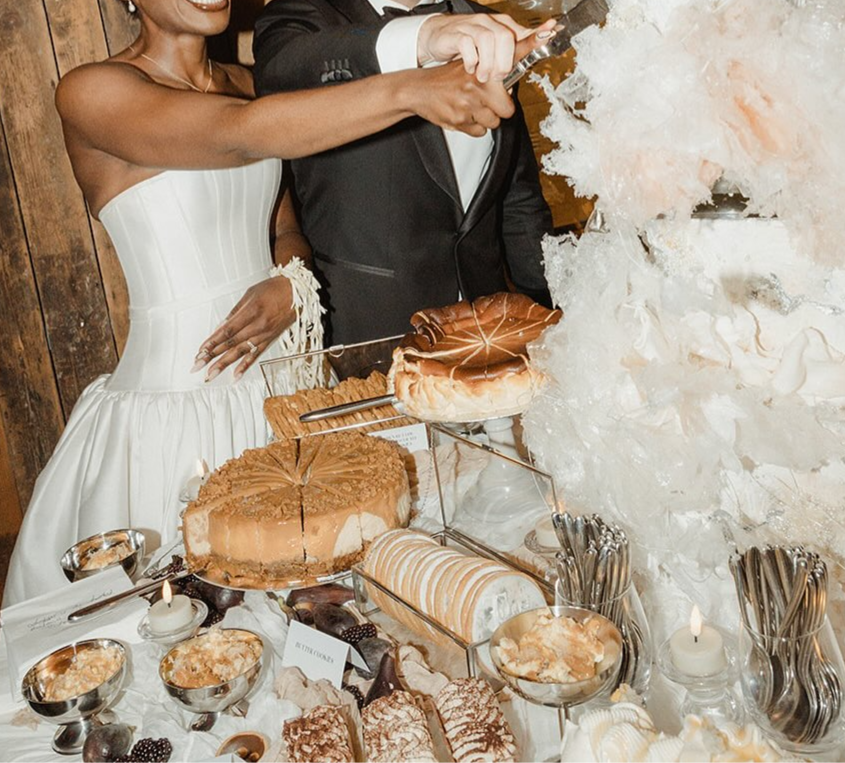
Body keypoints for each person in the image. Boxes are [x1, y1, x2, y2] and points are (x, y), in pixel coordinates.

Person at [4, 0, 538, 605]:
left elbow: (286, 224)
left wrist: (292, 278)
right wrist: (412, 88)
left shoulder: (245, 83)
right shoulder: (91, 91)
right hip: (179, 402)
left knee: (329, 597)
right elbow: (239, 136)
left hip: (284, 390)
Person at [253, 0, 556, 344]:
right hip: (366, 337)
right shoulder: (303, 16)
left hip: (487, 336)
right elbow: (281, 72)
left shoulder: (484, 22)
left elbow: (518, 201)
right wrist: (422, 36)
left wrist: (558, 311)